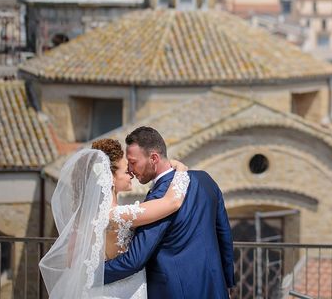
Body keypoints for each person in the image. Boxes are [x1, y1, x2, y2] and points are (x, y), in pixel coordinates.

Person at [39, 138, 190, 299]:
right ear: (110, 178)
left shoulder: (85, 219)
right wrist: (181, 170)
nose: (131, 174)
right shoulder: (117, 215)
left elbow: (72, 263)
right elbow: (173, 202)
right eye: (126, 171)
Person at [103, 126, 235, 299]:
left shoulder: (157, 200)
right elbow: (224, 235)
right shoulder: (205, 180)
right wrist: (227, 282)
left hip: (173, 291)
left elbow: (135, 259)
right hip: (214, 287)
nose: (131, 171)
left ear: (154, 158)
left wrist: (87, 276)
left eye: (133, 163)